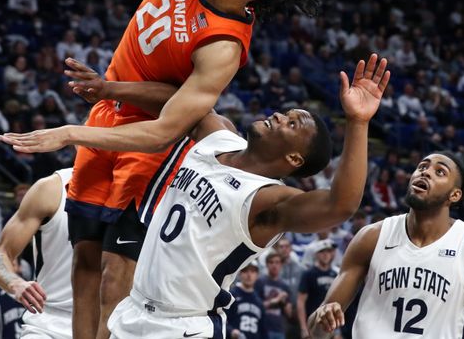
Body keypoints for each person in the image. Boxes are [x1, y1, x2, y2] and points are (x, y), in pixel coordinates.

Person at [0, 0, 340, 339]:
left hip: (150, 139)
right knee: (83, 258)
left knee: (116, 270)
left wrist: (68, 133)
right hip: (112, 112)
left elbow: (163, 131)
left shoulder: (224, 46)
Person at [81, 53, 387, 338]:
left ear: (294, 159)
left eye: (292, 123)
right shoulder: (219, 136)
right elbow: (179, 102)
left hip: (184, 327)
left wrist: (358, 123)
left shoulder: (267, 200)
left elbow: (340, 205)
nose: (279, 116)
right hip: (134, 309)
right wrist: (109, 89)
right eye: (287, 114)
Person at [309, 152, 464, 339]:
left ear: (454, 195)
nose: (425, 173)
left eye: (439, 172)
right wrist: (323, 319)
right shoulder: (372, 237)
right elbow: (317, 329)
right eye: (422, 167)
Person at [0, 168, 73, 339]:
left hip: (113, 326)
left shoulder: (135, 186)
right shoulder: (51, 188)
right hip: (50, 324)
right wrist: (15, 282)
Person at [296, 239, 337, 339]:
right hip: (313, 324)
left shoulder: (335, 275)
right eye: (322, 251)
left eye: (328, 251)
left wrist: (339, 329)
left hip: (330, 326)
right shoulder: (309, 274)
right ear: (316, 254)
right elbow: (300, 302)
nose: (326, 254)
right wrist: (303, 327)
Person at [226, 264, 267, 339]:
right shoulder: (231, 295)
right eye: (245, 271)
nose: (249, 275)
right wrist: (231, 331)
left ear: (257, 275)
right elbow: (222, 320)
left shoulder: (259, 301)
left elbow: (263, 330)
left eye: (252, 271)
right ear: (239, 273)